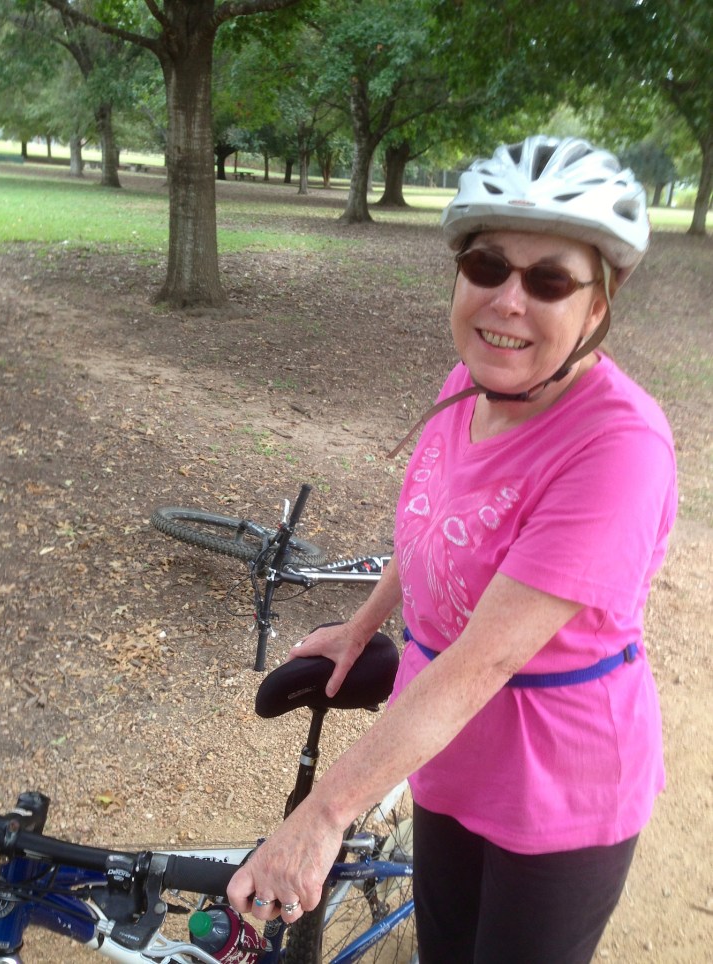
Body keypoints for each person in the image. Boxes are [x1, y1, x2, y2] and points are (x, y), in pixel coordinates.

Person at [227, 135, 678, 963]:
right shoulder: (467, 383)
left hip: (555, 784)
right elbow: (432, 522)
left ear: (597, 306)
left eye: (547, 281)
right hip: (439, 741)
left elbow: (484, 661)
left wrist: (326, 813)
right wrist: (364, 624)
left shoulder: (617, 448)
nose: (507, 301)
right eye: (485, 266)